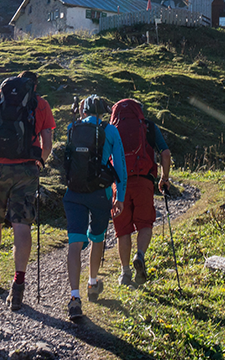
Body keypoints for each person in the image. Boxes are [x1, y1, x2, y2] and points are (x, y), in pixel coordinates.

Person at [0, 70, 54, 311]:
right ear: (34, 86)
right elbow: (47, 143)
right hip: (25, 170)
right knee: (21, 225)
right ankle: (18, 286)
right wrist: (40, 162)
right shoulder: (42, 104)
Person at [63, 95, 127, 321]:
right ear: (102, 111)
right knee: (97, 237)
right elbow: (120, 165)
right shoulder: (110, 131)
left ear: (84, 111)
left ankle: (74, 297)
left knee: (75, 241)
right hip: (100, 193)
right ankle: (92, 283)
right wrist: (120, 196)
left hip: (74, 193)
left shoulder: (73, 127)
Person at [109, 98, 172, 286]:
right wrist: (164, 178)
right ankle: (140, 254)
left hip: (119, 184)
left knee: (123, 229)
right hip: (143, 180)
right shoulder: (148, 127)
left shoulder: (111, 129)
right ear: (139, 111)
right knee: (145, 223)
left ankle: (125, 273)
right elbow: (165, 153)